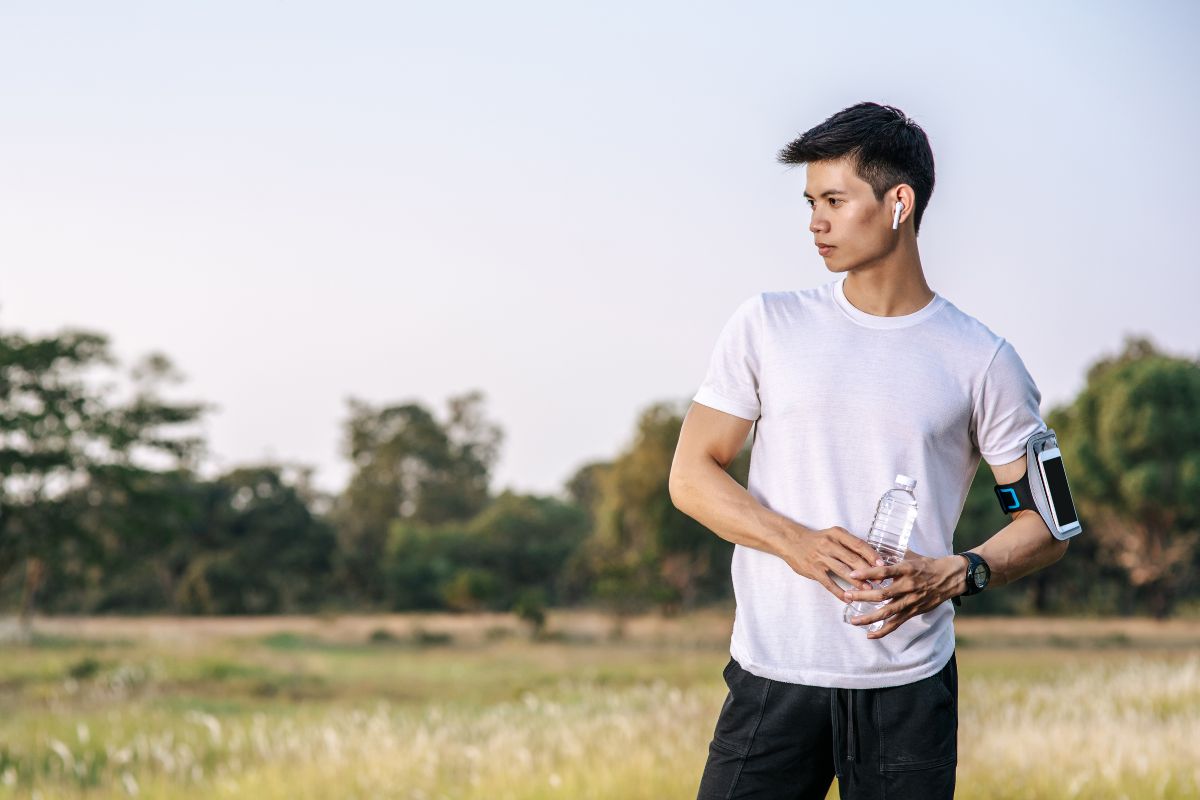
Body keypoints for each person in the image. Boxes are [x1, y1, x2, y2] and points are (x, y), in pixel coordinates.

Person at [668, 101, 1071, 800]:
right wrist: (792, 541)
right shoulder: (767, 324)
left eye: (833, 199)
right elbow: (691, 476)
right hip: (773, 679)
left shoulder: (983, 360)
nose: (814, 222)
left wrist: (956, 573)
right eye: (809, 202)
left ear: (898, 203)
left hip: (907, 696)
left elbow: (1047, 525)